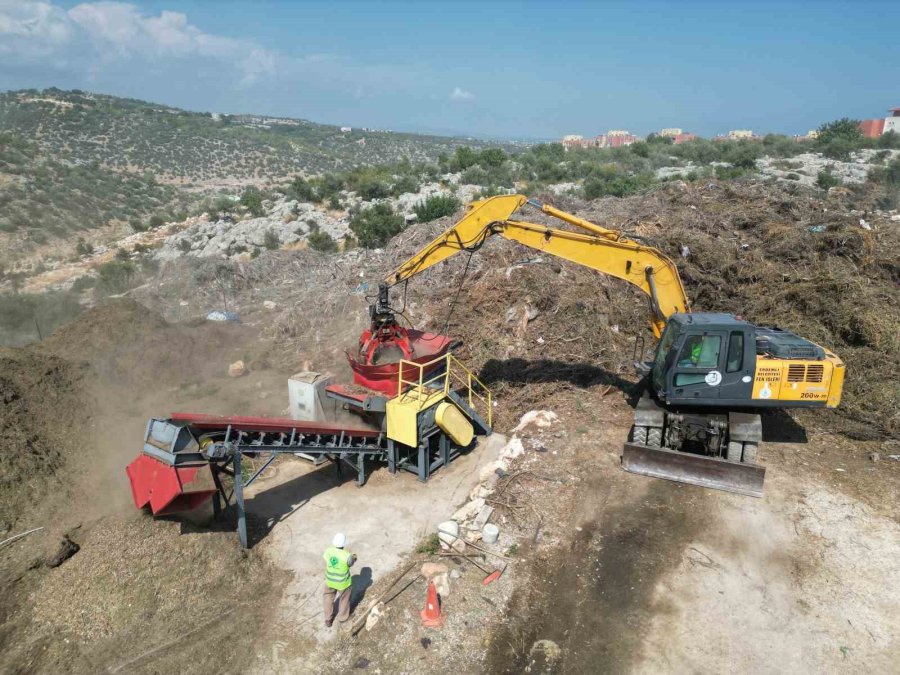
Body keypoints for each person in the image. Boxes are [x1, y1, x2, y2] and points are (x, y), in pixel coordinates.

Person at [323, 533, 356, 627]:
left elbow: (327, 559)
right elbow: (350, 563)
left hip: (329, 581)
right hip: (343, 583)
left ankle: (328, 619)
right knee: (344, 599)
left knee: (328, 598)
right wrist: (354, 558)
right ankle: (343, 617)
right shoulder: (347, 555)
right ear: (344, 544)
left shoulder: (328, 551)